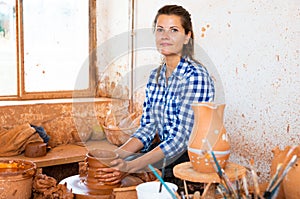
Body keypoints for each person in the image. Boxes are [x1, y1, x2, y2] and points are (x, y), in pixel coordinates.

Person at [97, 4, 215, 184]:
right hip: (165, 153)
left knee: (126, 180)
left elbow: (180, 140)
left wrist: (130, 166)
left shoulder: (195, 76)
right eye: (160, 30)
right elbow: (148, 127)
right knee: (106, 171)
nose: (165, 36)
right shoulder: (156, 77)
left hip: (190, 160)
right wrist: (115, 155)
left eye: (173, 30)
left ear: (187, 37)